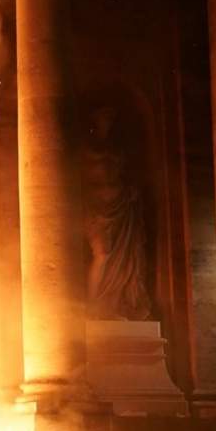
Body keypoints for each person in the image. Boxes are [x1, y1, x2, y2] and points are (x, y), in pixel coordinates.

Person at [81, 106, 152, 320]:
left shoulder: (116, 150)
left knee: (122, 259)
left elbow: (120, 175)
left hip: (121, 208)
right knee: (103, 253)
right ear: (95, 121)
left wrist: (130, 189)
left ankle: (114, 306)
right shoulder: (85, 148)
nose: (106, 122)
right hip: (96, 209)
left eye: (109, 118)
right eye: (103, 117)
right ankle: (93, 306)